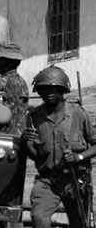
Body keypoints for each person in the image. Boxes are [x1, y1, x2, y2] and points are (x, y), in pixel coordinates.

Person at [22, 65, 96, 228]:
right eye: (43, 90)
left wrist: (79, 157)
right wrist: (26, 142)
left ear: (63, 91)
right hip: (48, 180)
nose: (48, 93)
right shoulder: (34, 117)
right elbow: (35, 155)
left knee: (80, 222)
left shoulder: (78, 114)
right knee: (39, 218)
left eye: (53, 89)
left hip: (75, 180)